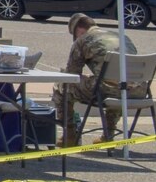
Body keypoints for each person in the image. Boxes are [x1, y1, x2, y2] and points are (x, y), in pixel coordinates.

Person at [56, 13, 145, 143]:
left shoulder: (84, 39)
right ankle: (108, 134)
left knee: (62, 85)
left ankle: (69, 135)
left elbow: (72, 74)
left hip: (108, 90)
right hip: (138, 90)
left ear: (79, 30)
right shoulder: (122, 37)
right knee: (115, 83)